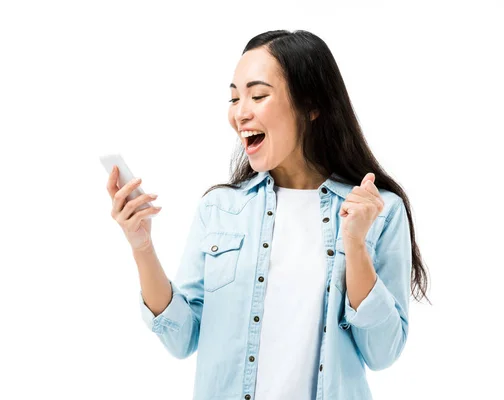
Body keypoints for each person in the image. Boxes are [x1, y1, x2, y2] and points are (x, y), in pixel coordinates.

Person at [107, 29, 430, 400]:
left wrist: (355, 243)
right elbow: (181, 339)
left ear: (311, 106)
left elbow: (382, 352)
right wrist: (142, 247)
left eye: (258, 95)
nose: (240, 112)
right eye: (234, 97)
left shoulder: (379, 211)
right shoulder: (221, 209)